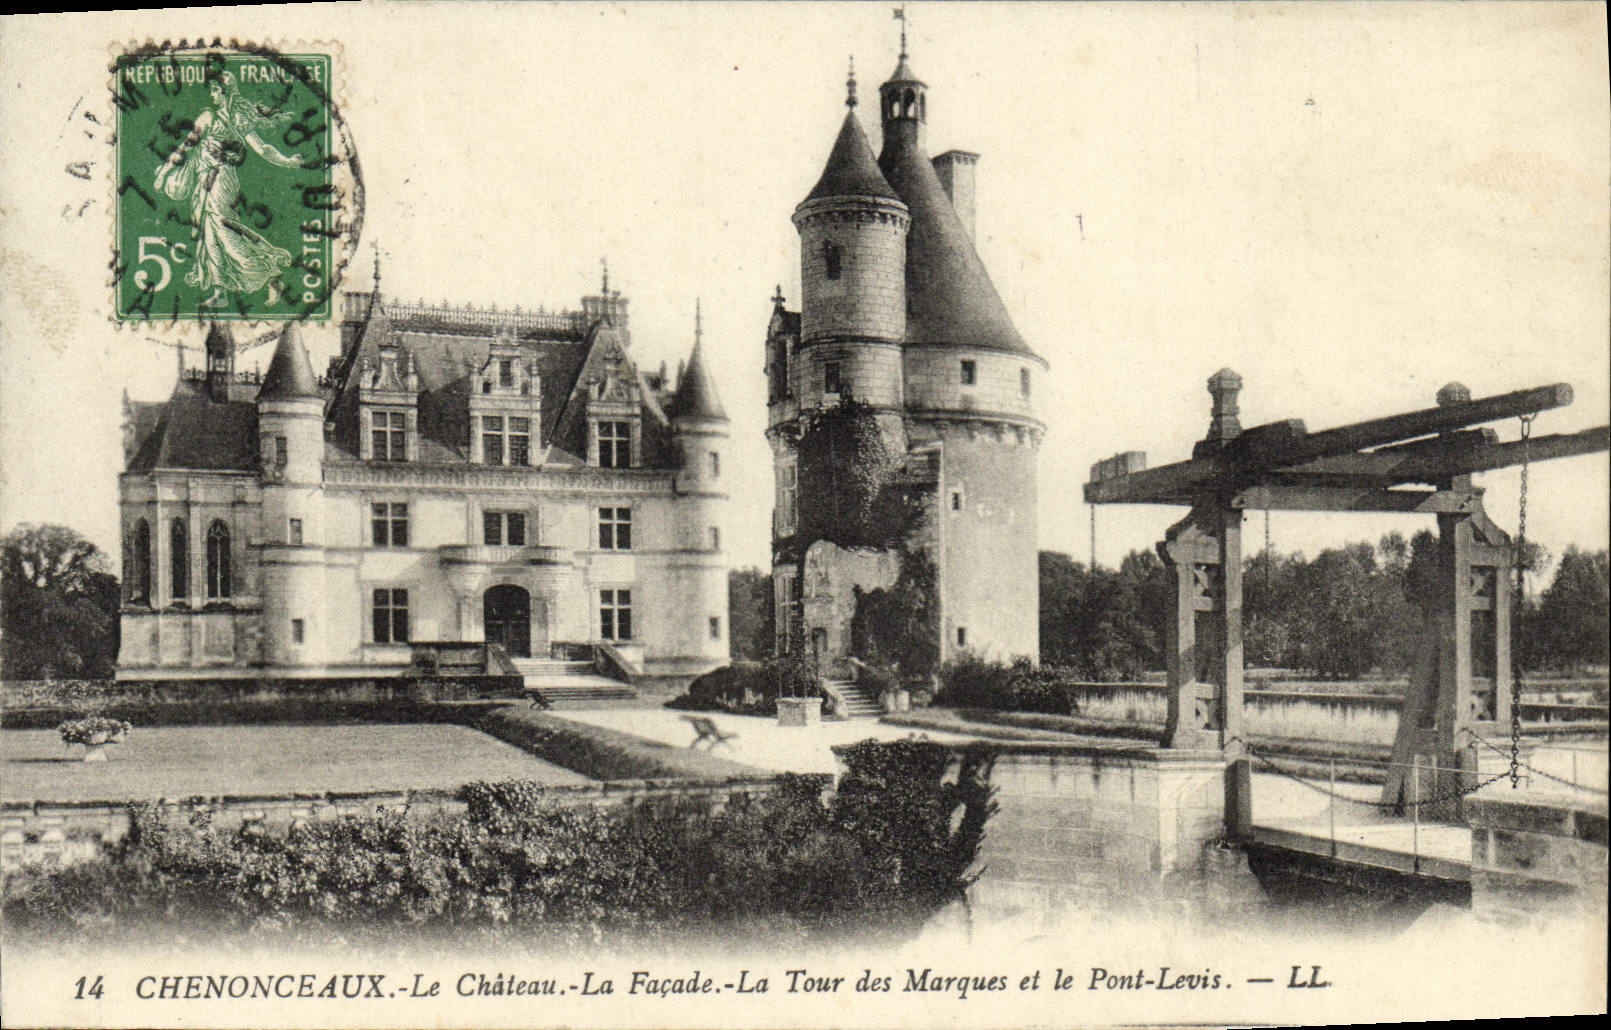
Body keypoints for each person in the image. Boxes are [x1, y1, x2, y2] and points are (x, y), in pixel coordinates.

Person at [154, 71, 301, 307]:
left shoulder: (238, 120)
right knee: (209, 235)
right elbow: (186, 147)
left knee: (223, 231)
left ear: (227, 93)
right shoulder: (207, 116)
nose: (212, 94)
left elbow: (263, 149)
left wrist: (288, 162)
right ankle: (220, 292)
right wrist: (164, 171)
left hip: (222, 181)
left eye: (217, 90)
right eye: (211, 90)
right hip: (204, 183)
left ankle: (270, 275)